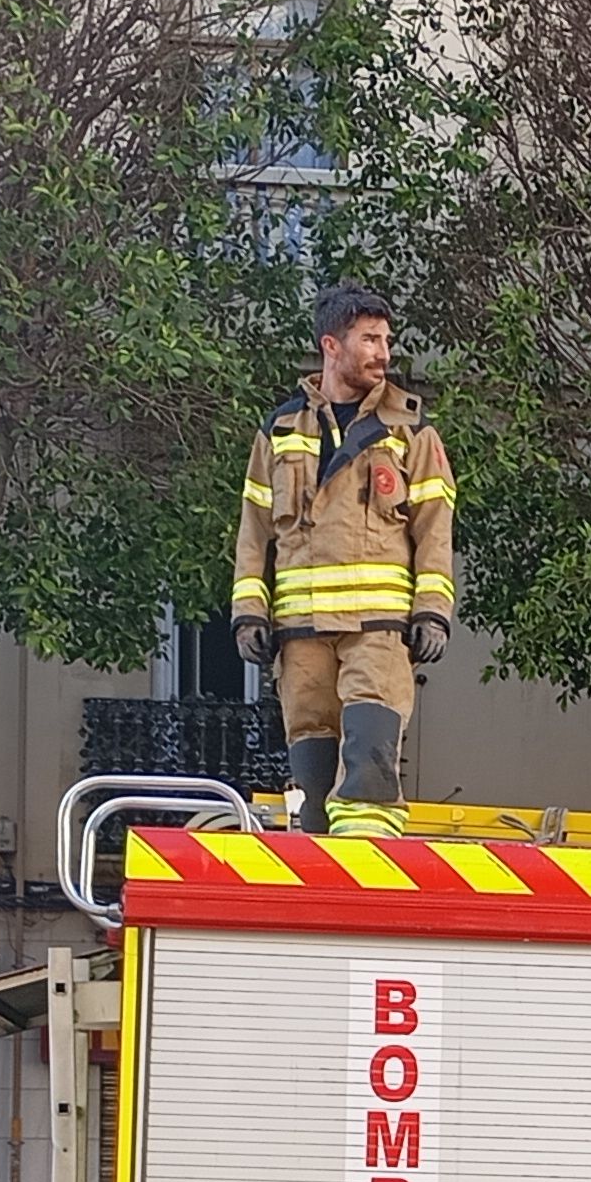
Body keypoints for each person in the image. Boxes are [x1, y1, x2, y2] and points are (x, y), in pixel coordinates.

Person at [230, 281, 457, 836]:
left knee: (370, 742)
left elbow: (435, 530)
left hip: (377, 630)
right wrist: (248, 612)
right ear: (332, 346)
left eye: (386, 339)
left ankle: (367, 856)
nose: (383, 352)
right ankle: (315, 851)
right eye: (370, 339)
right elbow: (254, 531)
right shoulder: (280, 431)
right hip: (301, 631)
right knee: (310, 747)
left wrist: (432, 610)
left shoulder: (410, 432)